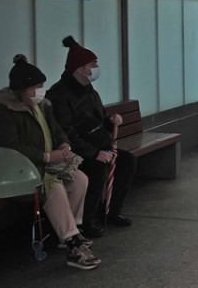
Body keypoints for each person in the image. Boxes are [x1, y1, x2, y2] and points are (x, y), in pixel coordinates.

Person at [0, 55, 102, 270]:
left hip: (42, 167)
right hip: (14, 172)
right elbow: (10, 147)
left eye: (41, 86)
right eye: (35, 87)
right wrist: (46, 157)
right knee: (53, 187)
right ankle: (74, 244)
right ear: (20, 90)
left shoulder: (41, 106)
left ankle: (71, 231)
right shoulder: (1, 111)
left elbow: (56, 130)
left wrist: (64, 144)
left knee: (79, 178)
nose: (40, 91)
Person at [47, 36, 136, 238]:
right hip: (77, 152)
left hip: (99, 146)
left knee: (127, 161)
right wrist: (94, 153)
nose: (96, 67)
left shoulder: (88, 89)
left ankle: (111, 211)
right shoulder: (59, 95)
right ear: (80, 68)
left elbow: (97, 118)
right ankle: (88, 221)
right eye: (92, 64)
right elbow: (66, 132)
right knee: (95, 168)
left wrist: (110, 120)